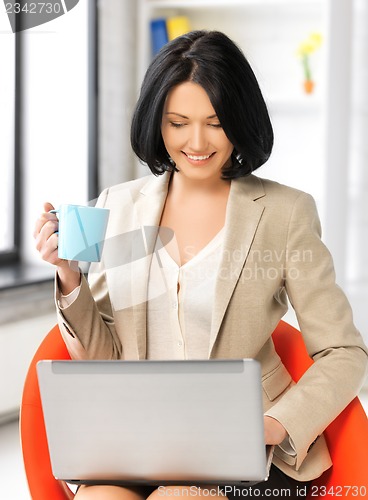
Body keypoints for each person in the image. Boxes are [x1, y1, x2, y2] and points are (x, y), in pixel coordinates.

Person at [34, 30, 368, 500]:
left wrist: (272, 426)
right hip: (138, 439)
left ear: (239, 120)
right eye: (178, 122)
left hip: (245, 450)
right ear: (157, 123)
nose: (196, 142)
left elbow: (344, 352)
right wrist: (70, 276)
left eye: (215, 122)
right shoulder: (117, 207)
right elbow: (104, 363)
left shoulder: (286, 212)